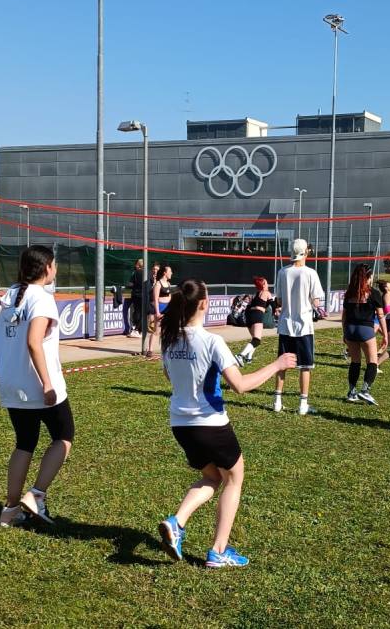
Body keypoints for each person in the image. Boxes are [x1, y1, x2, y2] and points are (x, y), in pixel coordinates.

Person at [157, 278, 296, 568]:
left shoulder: (169, 339)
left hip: (180, 424)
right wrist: (277, 364)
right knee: (234, 477)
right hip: (210, 423)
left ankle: (176, 522)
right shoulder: (211, 341)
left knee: (213, 477)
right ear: (205, 304)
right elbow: (241, 385)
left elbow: (171, 377)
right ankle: (219, 551)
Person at [0, 246, 73, 528]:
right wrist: (48, 384)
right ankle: (36, 495)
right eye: (55, 265)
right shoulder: (41, 298)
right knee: (64, 437)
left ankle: (10, 510)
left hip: (10, 382)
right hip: (37, 384)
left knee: (25, 442)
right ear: (48, 268)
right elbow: (33, 341)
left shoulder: (10, 295)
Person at [272, 238, 325, 415]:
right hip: (303, 325)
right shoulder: (310, 273)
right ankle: (303, 404)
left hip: (286, 325)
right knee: (305, 365)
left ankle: (277, 401)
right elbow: (317, 301)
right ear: (306, 252)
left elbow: (278, 300)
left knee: (282, 364)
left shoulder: (283, 272)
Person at [342, 265, 387, 405]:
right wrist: (385, 334)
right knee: (372, 362)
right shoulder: (373, 293)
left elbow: (344, 315)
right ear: (368, 277)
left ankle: (351, 392)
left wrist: (344, 332)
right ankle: (365, 391)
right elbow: (380, 315)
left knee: (355, 362)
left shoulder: (349, 293)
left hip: (350, 329)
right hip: (365, 329)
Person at [236, 276, 277, 365]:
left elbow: (248, 307)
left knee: (255, 339)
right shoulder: (266, 293)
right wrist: (275, 312)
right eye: (266, 283)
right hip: (257, 315)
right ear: (263, 285)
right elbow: (272, 304)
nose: (268, 284)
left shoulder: (255, 294)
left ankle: (249, 358)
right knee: (257, 340)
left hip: (249, 316)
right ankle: (241, 355)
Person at [146, 264, 173, 359]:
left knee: (166, 331)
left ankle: (166, 349)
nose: (171, 273)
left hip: (167, 308)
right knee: (156, 331)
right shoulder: (158, 284)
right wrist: (157, 312)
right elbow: (156, 299)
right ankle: (150, 350)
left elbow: (170, 297)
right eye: (170, 272)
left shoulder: (169, 284)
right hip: (160, 308)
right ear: (165, 273)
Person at [127, 259, 145, 338]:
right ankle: (139, 330)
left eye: (136, 264)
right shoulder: (146, 272)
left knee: (137, 312)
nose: (135, 265)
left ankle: (136, 330)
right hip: (144, 295)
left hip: (137, 295)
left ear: (138, 265)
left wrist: (131, 285)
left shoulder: (135, 273)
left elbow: (130, 284)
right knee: (142, 312)